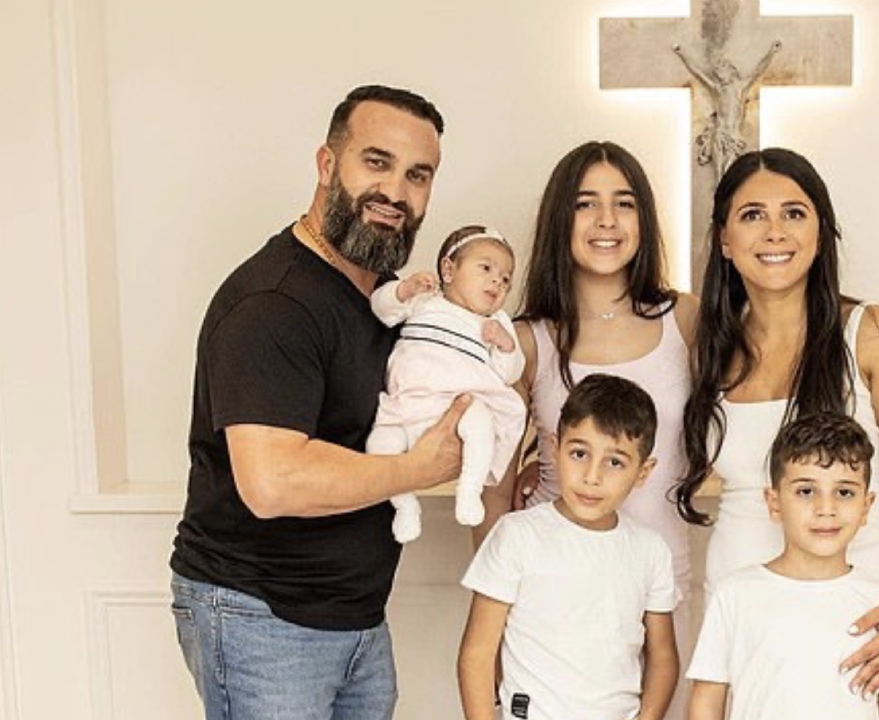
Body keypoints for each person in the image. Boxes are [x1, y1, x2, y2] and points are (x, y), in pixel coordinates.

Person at [168, 85, 470, 720]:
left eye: (418, 175)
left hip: (354, 617)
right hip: (260, 618)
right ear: (328, 164)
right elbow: (272, 482)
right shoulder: (274, 303)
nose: (395, 192)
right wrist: (417, 469)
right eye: (377, 162)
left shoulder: (386, 299)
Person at [677, 147, 879, 706]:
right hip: (743, 613)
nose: (774, 232)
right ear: (724, 239)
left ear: (820, 234)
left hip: (856, 613)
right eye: (753, 215)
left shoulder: (872, 333)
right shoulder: (710, 347)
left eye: (794, 213)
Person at [481, 140, 699, 718]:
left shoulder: (685, 318)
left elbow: (753, 405)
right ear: (561, 218)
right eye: (585, 204)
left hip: (659, 588)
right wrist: (495, 611)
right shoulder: (525, 339)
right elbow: (495, 489)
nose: (606, 220)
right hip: (548, 604)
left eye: (624, 203)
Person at [457, 374, 680, 720]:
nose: (592, 476)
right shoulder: (517, 535)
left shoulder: (650, 551)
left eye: (615, 462)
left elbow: (663, 656)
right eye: (579, 453)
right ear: (554, 448)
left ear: (643, 471)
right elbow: (477, 655)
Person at [686, 412, 879, 720]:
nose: (826, 508)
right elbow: (706, 702)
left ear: (866, 507)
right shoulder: (735, 594)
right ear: (774, 503)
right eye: (806, 491)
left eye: (844, 492)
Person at [367, 225, 524, 537]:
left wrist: (506, 345)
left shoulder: (495, 322)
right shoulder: (424, 300)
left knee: (481, 423)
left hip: (458, 405)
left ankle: (470, 489)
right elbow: (381, 309)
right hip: (407, 406)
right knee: (379, 445)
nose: (498, 281)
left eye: (506, 278)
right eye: (486, 268)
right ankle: (405, 506)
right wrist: (403, 290)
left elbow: (510, 372)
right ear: (449, 270)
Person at [673, 41, 782, 178]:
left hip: (733, 136)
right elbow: (697, 72)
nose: (718, 74)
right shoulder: (717, 89)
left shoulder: (740, 88)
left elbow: (758, 70)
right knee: (719, 175)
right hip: (719, 135)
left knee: (729, 174)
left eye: (721, 69)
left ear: (730, 71)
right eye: (717, 72)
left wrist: (772, 52)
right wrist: (682, 53)